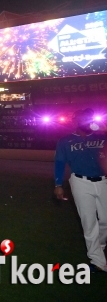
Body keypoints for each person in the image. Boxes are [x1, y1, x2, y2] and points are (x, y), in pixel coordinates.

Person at [53, 108, 107, 273]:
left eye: (89, 119)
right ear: (75, 121)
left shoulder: (101, 137)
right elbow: (60, 163)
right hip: (80, 182)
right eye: (84, 119)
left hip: (104, 181)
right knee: (89, 222)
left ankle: (100, 246)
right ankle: (97, 260)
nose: (88, 122)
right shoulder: (65, 141)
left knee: (105, 220)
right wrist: (58, 184)